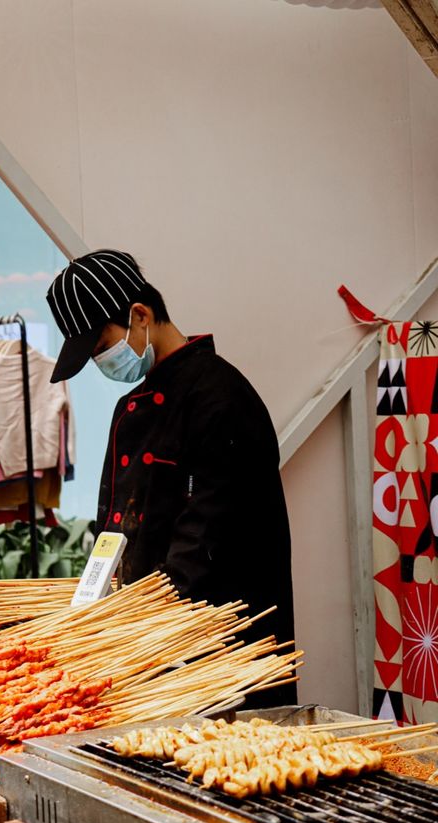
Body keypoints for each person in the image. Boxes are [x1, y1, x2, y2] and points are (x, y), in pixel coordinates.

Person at [47, 249, 295, 703]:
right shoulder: (131, 409)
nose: (103, 364)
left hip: (219, 656)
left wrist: (139, 631)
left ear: (140, 315)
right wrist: (96, 611)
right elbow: (114, 532)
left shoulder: (221, 399)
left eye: (102, 348)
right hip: (151, 649)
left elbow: (207, 541)